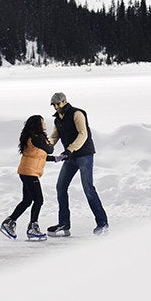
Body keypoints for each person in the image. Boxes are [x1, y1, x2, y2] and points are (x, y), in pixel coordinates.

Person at [47, 91, 109, 236]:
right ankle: (64, 223)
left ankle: (102, 223)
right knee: (61, 187)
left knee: (88, 188)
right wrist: (45, 147)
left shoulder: (77, 113)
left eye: (58, 104)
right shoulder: (58, 119)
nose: (56, 107)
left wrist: (69, 150)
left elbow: (83, 134)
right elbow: (54, 136)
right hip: (70, 157)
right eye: (53, 105)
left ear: (64, 101)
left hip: (84, 155)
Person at [0, 114, 56, 241]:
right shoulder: (36, 138)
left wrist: (56, 159)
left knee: (27, 201)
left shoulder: (36, 139)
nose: (45, 124)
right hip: (29, 173)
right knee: (39, 200)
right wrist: (52, 142)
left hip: (27, 172)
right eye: (42, 122)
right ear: (38, 124)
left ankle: (9, 222)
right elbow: (49, 149)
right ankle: (32, 228)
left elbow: (42, 155)